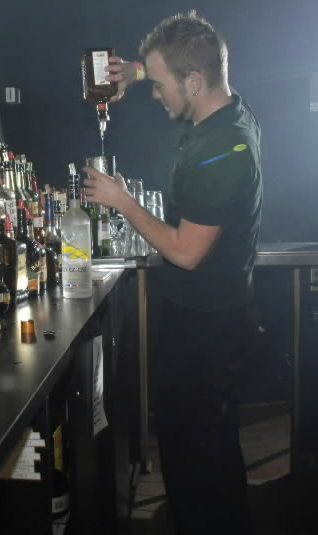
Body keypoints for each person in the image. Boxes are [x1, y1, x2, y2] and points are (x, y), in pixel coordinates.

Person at [83, 11, 262, 535]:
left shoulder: (222, 151)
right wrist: (137, 72)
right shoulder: (229, 110)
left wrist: (122, 201)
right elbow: (190, 65)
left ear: (194, 81)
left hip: (208, 330)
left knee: (198, 463)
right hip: (208, 319)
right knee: (205, 449)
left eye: (159, 85)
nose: (155, 95)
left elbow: (185, 252)